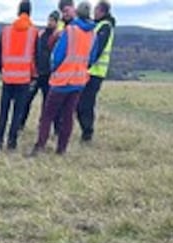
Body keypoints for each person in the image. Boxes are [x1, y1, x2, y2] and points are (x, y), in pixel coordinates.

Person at [31, 0, 94, 155]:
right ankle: (61, 149)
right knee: (68, 116)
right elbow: (91, 58)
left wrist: (54, 70)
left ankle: (40, 146)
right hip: (79, 82)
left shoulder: (70, 31)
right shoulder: (93, 34)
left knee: (47, 115)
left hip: (61, 81)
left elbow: (57, 56)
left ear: (77, 12)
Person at [0, 0, 38, 150]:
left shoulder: (6, 31)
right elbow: (35, 57)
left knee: (3, 111)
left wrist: (4, 70)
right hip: (24, 79)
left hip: (8, 77)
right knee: (17, 113)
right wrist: (32, 76)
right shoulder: (33, 32)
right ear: (30, 12)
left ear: (18, 12)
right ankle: (12, 142)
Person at [77, 1, 116, 142]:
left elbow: (97, 49)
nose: (94, 13)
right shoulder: (99, 25)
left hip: (95, 72)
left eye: (96, 10)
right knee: (81, 103)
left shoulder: (105, 27)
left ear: (102, 11)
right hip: (90, 71)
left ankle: (87, 133)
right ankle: (86, 131)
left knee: (85, 104)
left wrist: (86, 64)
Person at [20, 10, 59, 129]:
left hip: (49, 74)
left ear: (57, 22)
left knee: (48, 103)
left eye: (53, 20)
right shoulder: (40, 34)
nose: (50, 22)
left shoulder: (58, 36)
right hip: (37, 73)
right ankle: (20, 123)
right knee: (27, 99)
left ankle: (44, 126)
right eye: (49, 20)